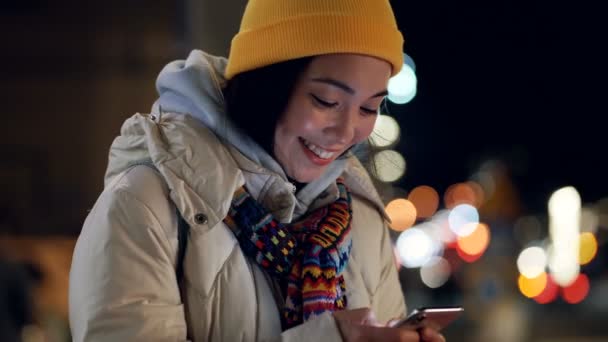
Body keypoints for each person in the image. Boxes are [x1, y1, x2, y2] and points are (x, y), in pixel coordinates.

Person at [69, 0, 447, 341]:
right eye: (326, 100)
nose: (347, 133)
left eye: (368, 109)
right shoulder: (144, 204)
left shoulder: (359, 219)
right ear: (268, 84)